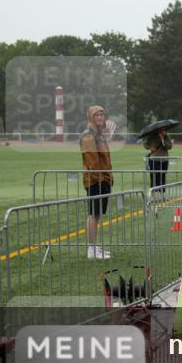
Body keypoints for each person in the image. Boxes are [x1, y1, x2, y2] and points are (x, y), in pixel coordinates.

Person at [81, 105, 113, 260]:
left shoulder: (98, 135)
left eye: (102, 114)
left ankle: (94, 247)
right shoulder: (89, 136)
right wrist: (99, 178)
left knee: (97, 214)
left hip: (103, 179)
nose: (100, 118)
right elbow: (92, 161)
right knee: (93, 214)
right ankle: (91, 249)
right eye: (97, 115)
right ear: (91, 117)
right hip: (95, 180)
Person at [144, 127, 173, 191]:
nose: (164, 131)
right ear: (159, 130)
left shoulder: (167, 137)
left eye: (165, 130)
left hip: (164, 160)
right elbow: (145, 144)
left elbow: (169, 146)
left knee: (163, 178)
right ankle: (152, 196)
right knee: (153, 178)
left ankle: (163, 195)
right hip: (154, 160)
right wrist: (151, 147)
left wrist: (163, 140)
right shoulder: (152, 135)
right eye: (163, 130)